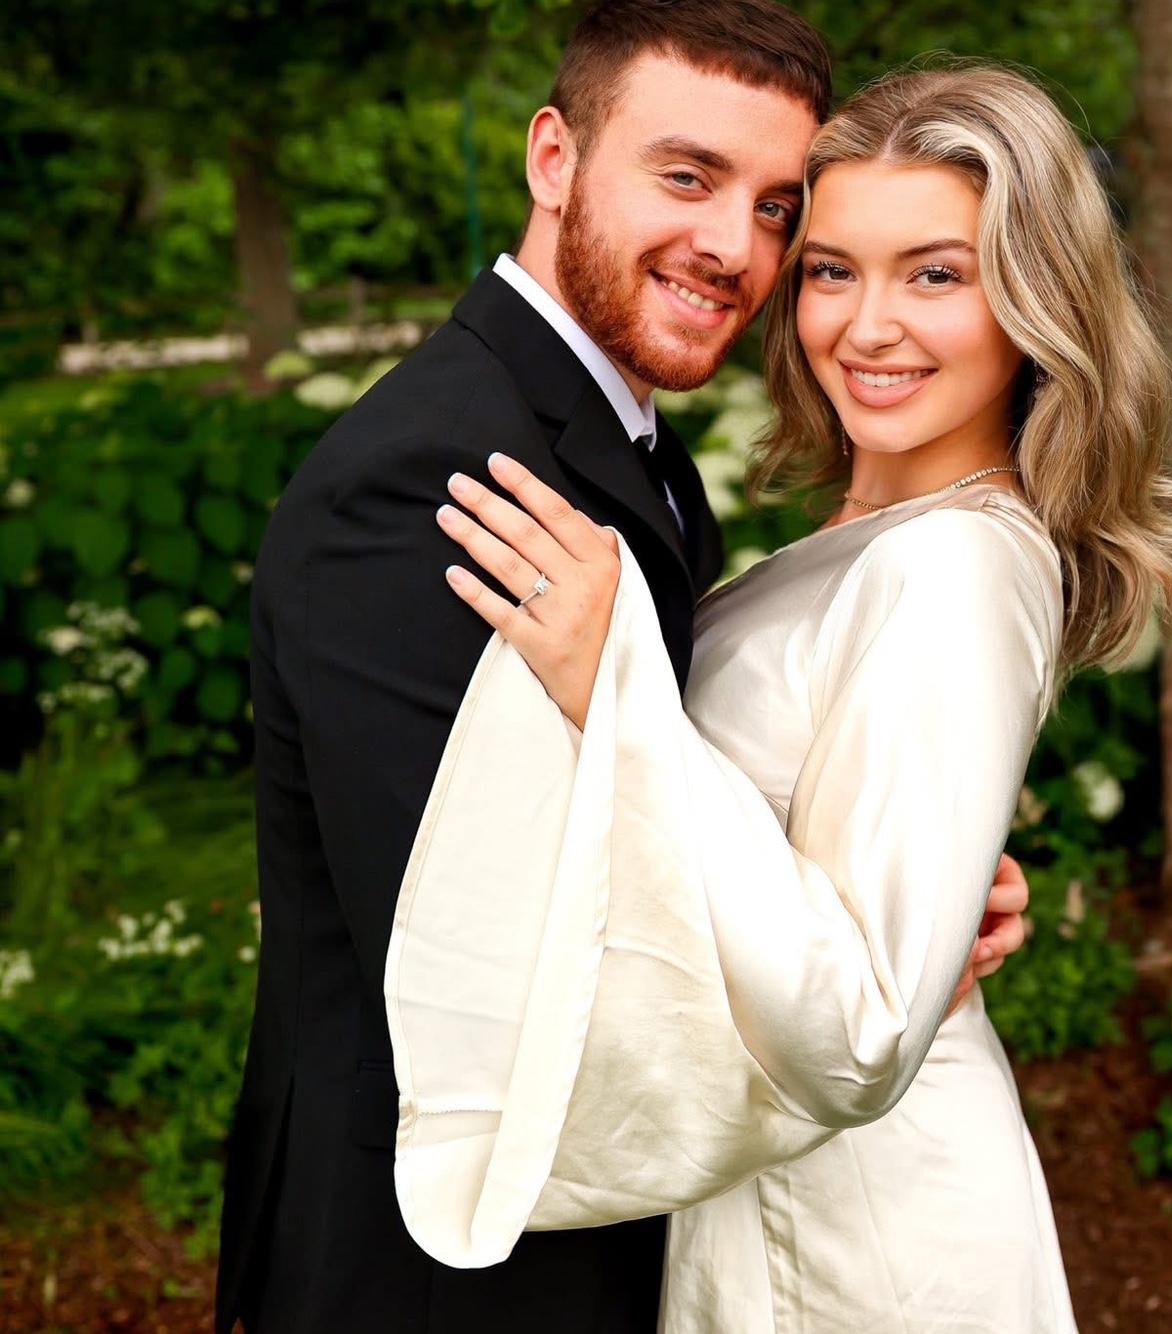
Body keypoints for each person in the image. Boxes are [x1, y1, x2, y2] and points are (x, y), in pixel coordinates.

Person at [215, 6, 1033, 1333]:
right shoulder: (439, 479)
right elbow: (496, 963)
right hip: (438, 1259)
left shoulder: (621, 448)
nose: (732, 246)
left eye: (774, 208)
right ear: (553, 157)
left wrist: (892, 892)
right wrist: (852, 982)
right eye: (686, 176)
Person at [386, 62, 1172, 1332]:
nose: (867, 327)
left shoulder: (957, 563)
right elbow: (842, 893)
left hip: (863, 1241)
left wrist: (618, 691)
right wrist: (930, 901)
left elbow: (860, 1025)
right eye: (829, 270)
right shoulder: (883, 534)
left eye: (934, 274)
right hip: (782, 1193)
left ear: (1034, 296)